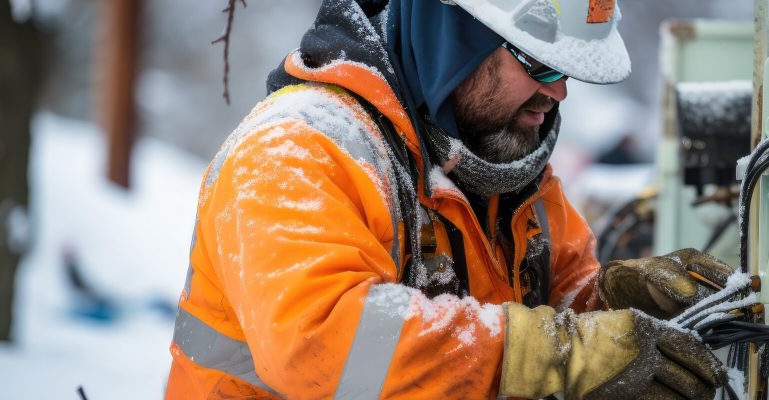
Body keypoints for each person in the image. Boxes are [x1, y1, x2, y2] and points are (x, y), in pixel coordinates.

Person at [166, 0, 735, 398]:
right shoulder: (297, 151)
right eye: (540, 62)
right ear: (457, 37)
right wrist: (555, 356)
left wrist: (612, 300)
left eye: (567, 70)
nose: (558, 90)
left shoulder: (499, 164)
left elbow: (558, 312)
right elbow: (320, 344)